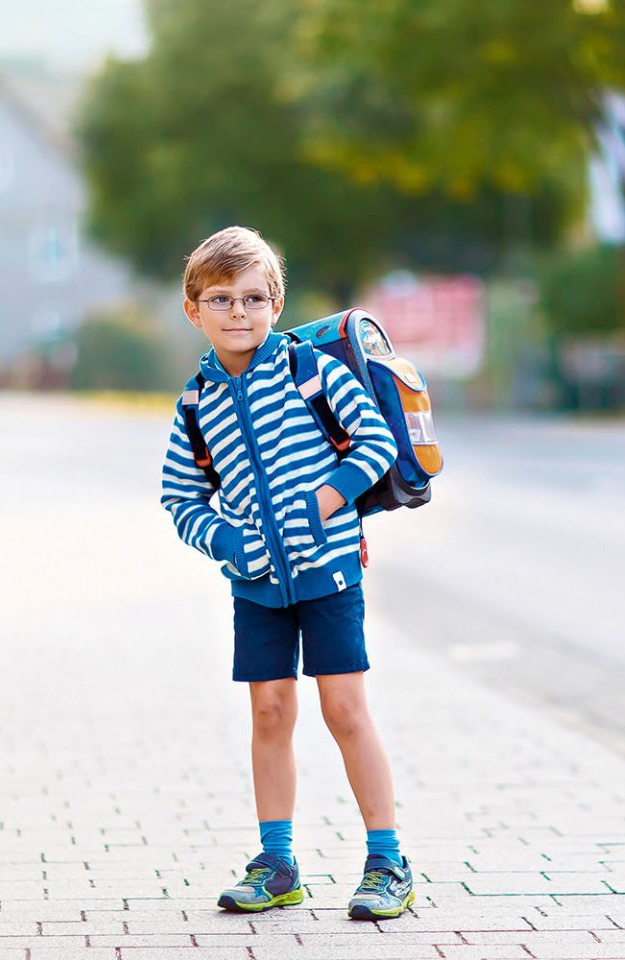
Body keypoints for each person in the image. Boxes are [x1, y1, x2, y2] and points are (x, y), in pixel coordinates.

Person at [160, 226, 415, 920]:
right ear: (194, 310)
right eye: (220, 299)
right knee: (269, 713)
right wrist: (227, 541)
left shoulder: (310, 371)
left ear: (276, 303)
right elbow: (179, 496)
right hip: (257, 587)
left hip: (330, 575)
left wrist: (321, 504)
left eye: (252, 298)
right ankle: (277, 863)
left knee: (344, 710)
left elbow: (375, 443)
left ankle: (387, 859)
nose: (237, 313)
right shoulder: (196, 403)